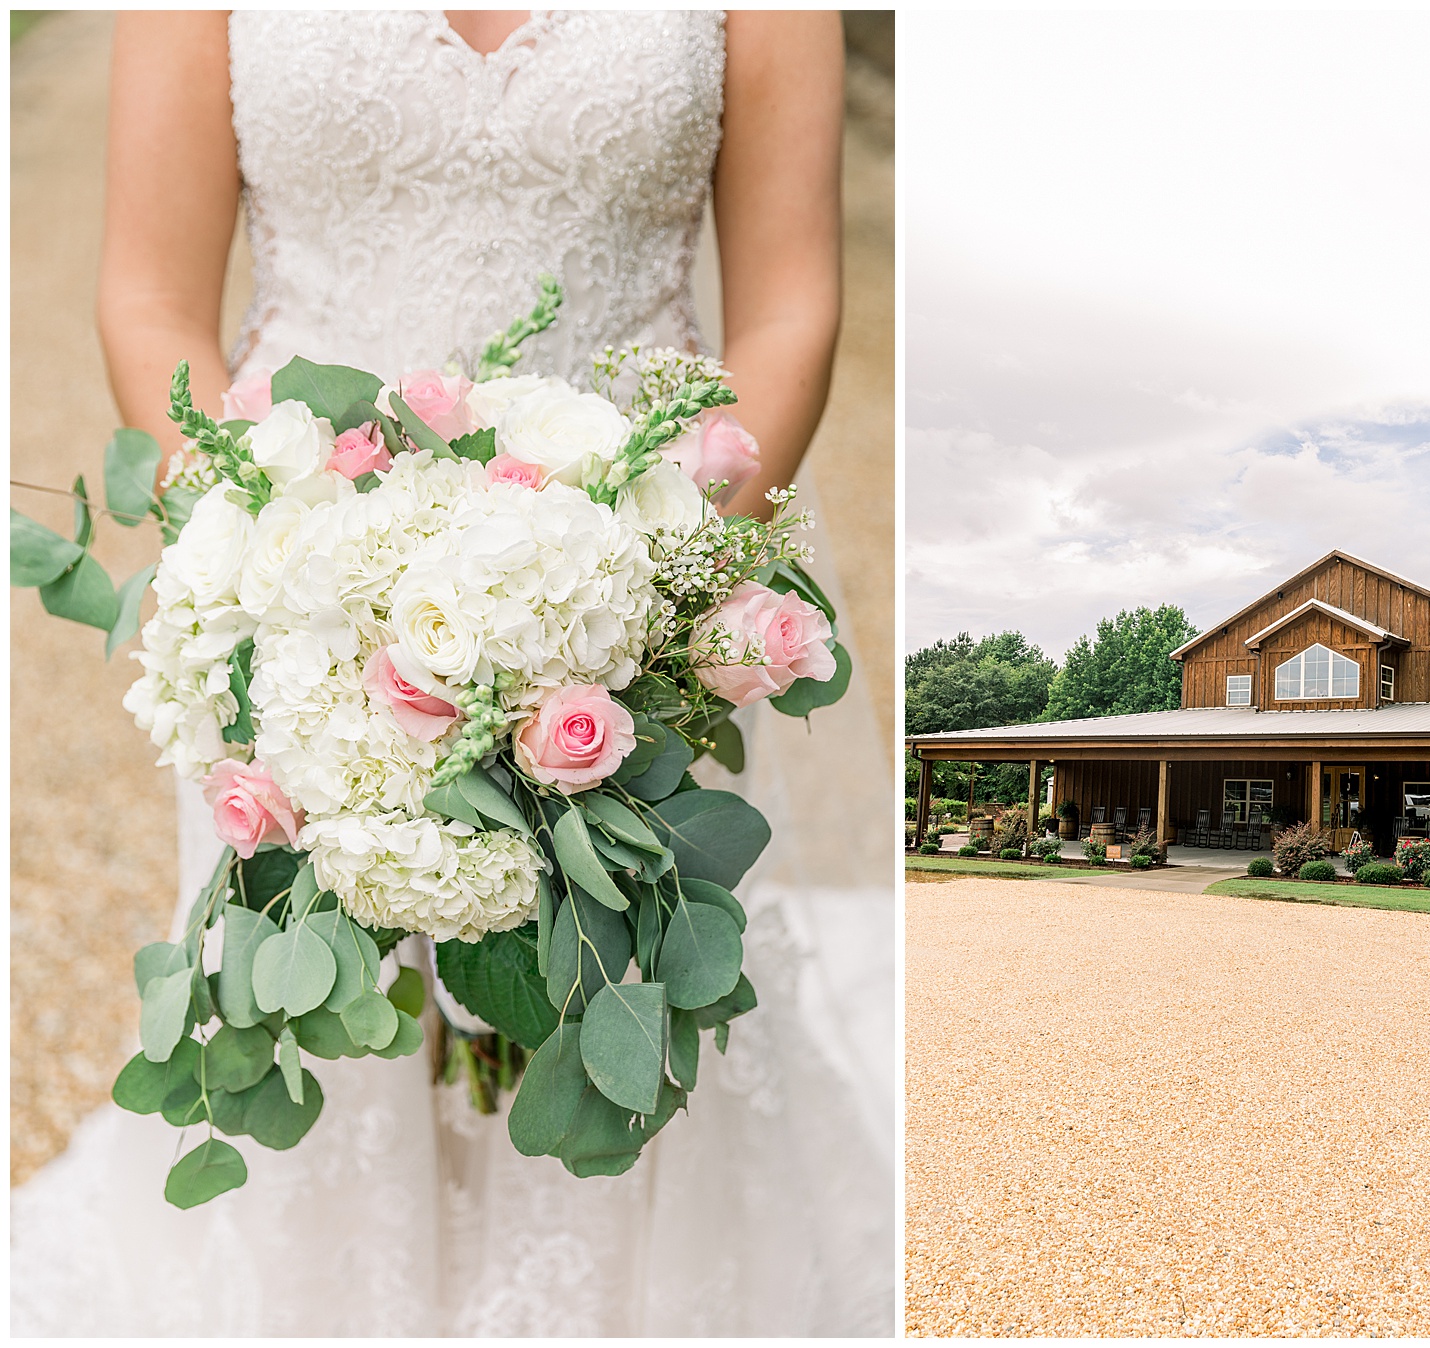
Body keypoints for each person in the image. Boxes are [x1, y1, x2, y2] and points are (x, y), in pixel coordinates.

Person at [11, 11, 893, 1335]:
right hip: (299, 596)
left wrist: (642, 595)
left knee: (616, 964)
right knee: (323, 979)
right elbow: (150, 299)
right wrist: (273, 571)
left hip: (629, 606)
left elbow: (789, 309)